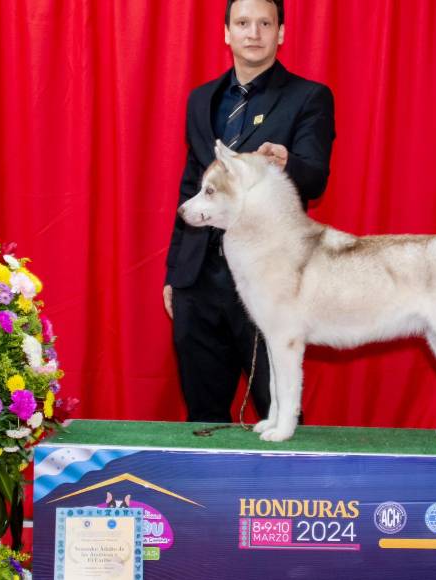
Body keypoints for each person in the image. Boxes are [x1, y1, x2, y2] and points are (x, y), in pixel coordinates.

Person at [163, 0, 335, 423]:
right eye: (242, 23)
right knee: (202, 418)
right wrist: (174, 274)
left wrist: (285, 163)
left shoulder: (308, 97)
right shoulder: (201, 100)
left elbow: (314, 180)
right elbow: (192, 189)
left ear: (281, 33)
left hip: (269, 276)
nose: (253, 32)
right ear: (226, 33)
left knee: (279, 414)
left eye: (264, 23)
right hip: (199, 281)